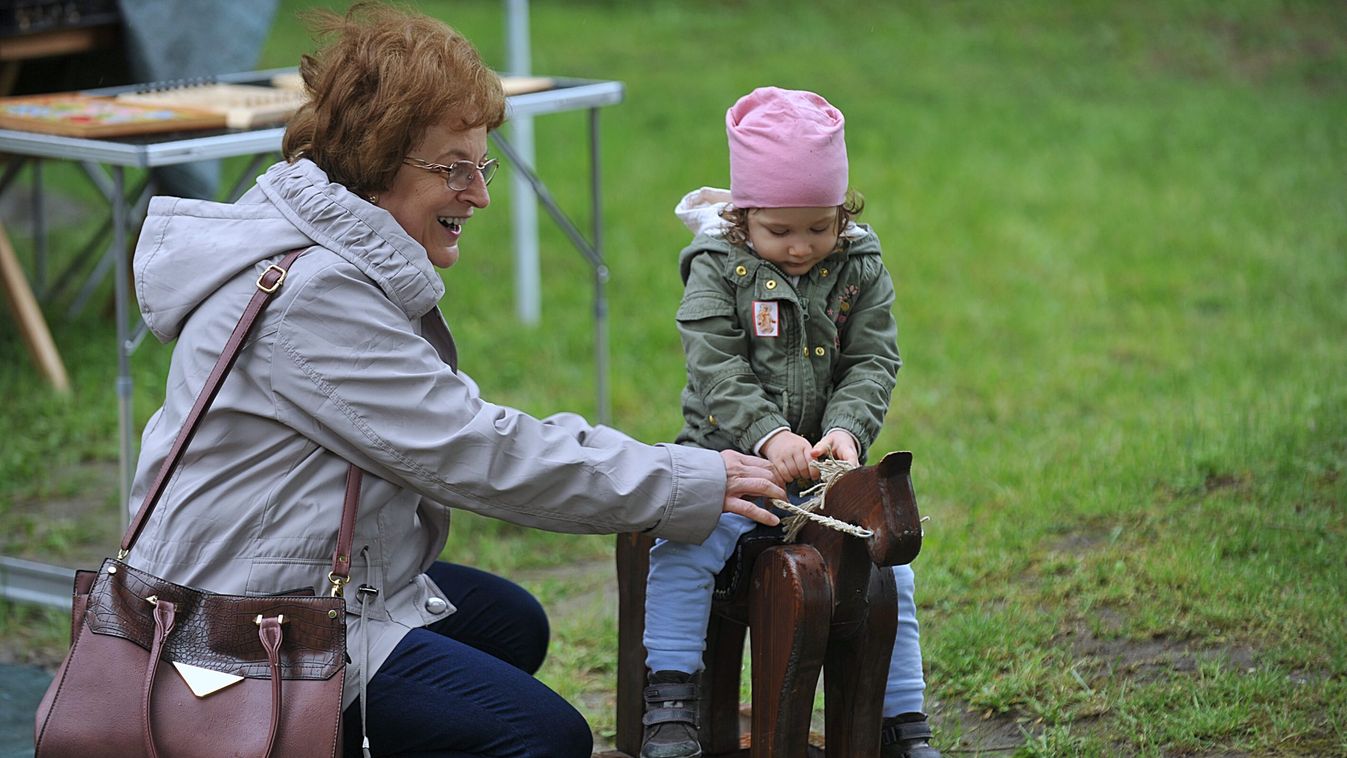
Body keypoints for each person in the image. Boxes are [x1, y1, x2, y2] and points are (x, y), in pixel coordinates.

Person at [123, 5, 785, 757]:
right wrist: (680, 480)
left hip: (286, 575)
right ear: (375, 160)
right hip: (234, 628)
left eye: (482, 163)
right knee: (543, 739)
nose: (480, 194)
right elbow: (474, 450)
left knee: (510, 623)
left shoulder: (318, 246)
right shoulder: (314, 296)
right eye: (452, 168)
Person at [639, 87, 939, 758]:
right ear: (743, 216)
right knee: (686, 544)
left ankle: (901, 721)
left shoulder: (858, 266)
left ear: (841, 211)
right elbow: (716, 368)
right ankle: (670, 697)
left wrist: (847, 432)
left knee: (889, 571)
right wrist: (770, 437)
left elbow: (871, 357)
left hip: (820, 469)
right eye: (780, 231)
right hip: (727, 458)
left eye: (818, 227)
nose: (801, 247)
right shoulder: (717, 269)